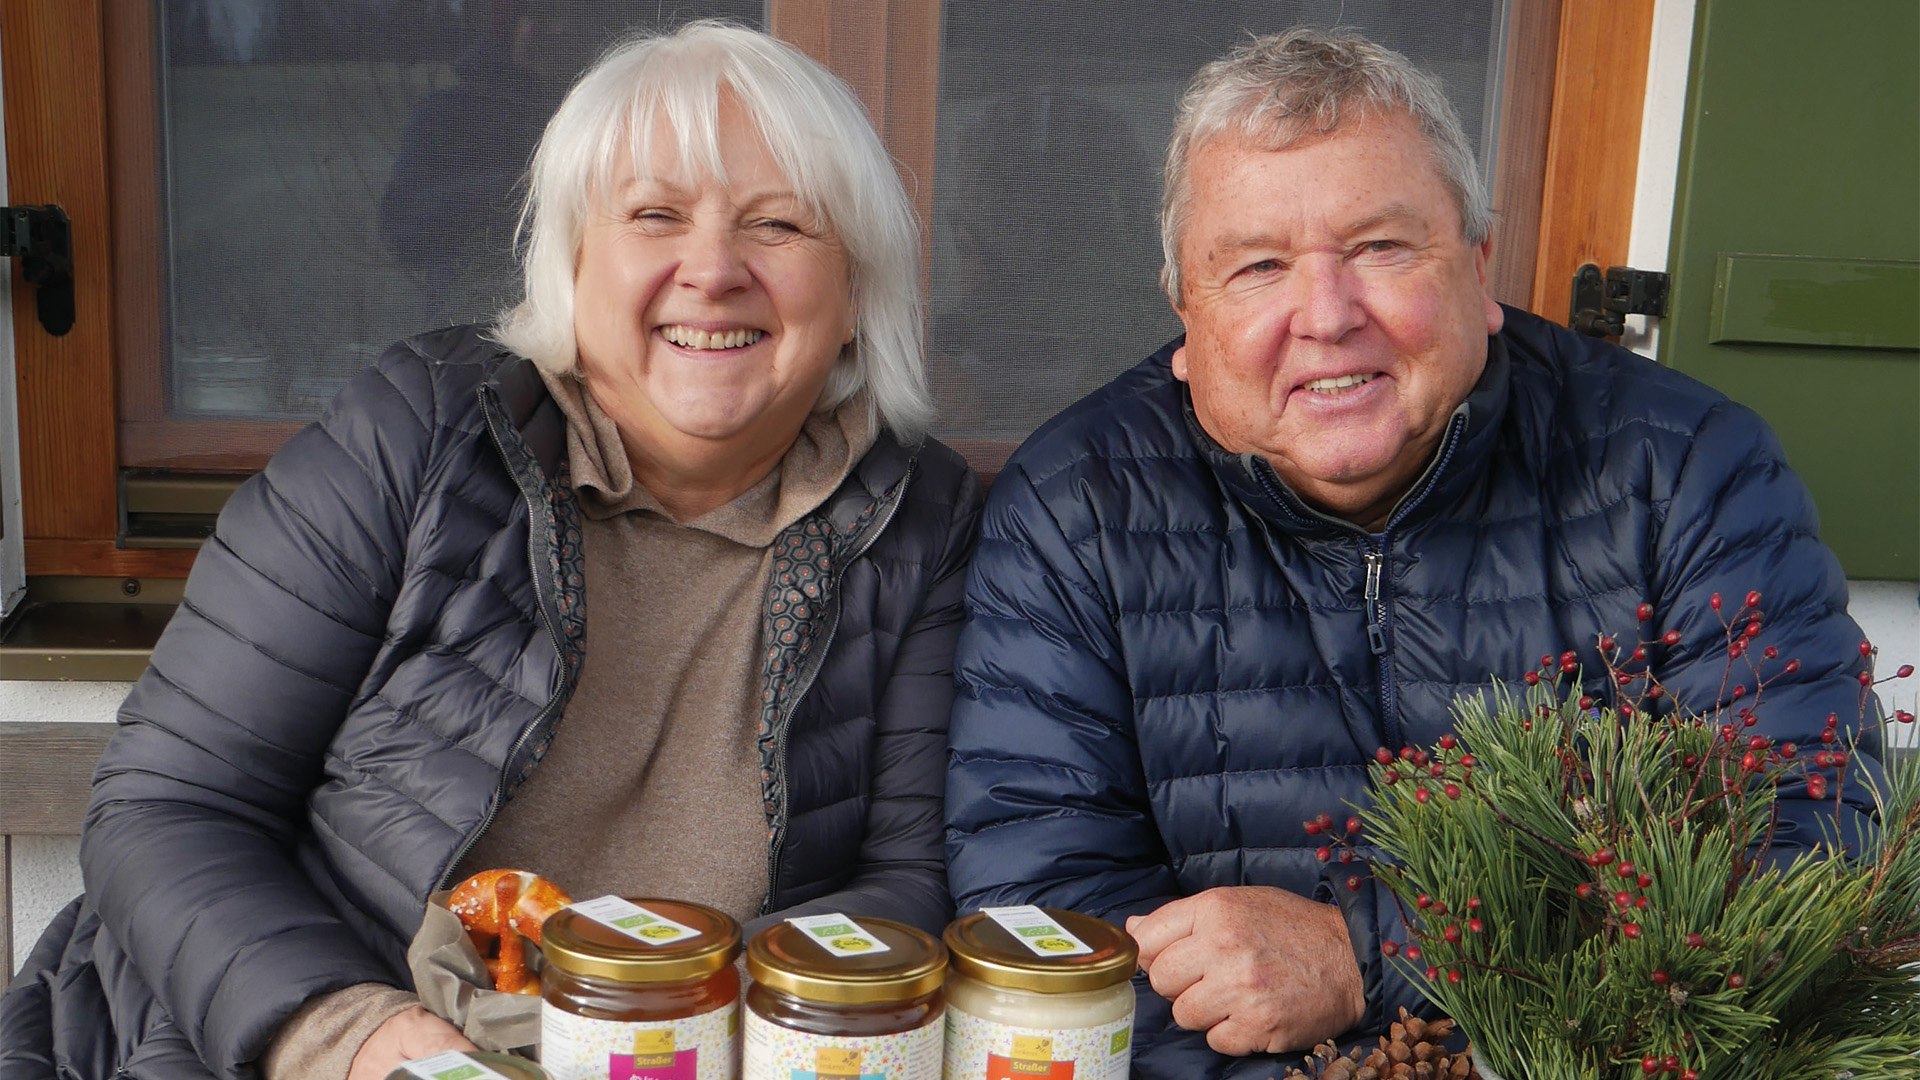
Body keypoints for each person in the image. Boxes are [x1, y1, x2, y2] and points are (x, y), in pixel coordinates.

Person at [0, 21, 979, 1080]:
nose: (713, 270)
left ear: (855, 294)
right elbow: (169, 806)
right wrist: (353, 1036)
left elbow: (901, 876)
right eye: (655, 215)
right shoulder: (415, 438)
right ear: (571, 263)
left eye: (778, 225)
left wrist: (691, 1029)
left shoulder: (912, 519)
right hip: (254, 1040)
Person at [944, 27, 1879, 1080]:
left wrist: (1369, 955)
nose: (1329, 317)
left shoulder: (1687, 467)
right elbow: (1046, 918)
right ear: (1187, 313)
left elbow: (1803, 848)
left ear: (1480, 267)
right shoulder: (1077, 502)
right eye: (1257, 267)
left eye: (1383, 248)